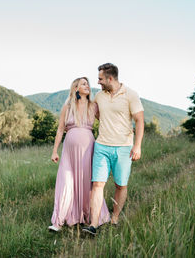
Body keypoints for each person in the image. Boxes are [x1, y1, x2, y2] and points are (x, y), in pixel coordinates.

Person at [82, 63, 144, 236]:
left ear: (110, 78)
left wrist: (137, 145)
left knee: (120, 185)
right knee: (97, 184)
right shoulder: (99, 96)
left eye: (101, 79)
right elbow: (92, 111)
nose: (98, 82)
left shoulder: (130, 94)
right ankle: (93, 224)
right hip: (102, 146)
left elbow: (139, 120)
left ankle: (114, 218)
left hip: (124, 148)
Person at [48, 77, 111, 232]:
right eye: (83, 84)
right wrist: (55, 151)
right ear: (76, 88)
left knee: (86, 182)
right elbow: (60, 129)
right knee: (65, 183)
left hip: (88, 149)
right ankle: (58, 221)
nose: (87, 85)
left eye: (88, 83)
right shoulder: (68, 107)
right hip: (69, 152)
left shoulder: (93, 106)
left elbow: (106, 121)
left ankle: (89, 217)